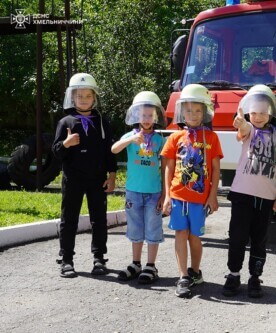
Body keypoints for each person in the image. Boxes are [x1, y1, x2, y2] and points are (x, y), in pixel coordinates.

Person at [222, 85, 276, 298]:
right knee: (237, 237)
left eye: (262, 112)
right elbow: (243, 130)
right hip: (242, 195)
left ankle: (254, 277)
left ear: (271, 112)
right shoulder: (249, 130)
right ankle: (233, 274)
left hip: (266, 198)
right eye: (254, 112)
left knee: (259, 240)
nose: (258, 117)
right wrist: (241, 123)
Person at [161, 84, 224, 298]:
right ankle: (183, 277)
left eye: (198, 110)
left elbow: (216, 169)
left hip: (200, 199)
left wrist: (213, 195)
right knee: (180, 233)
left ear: (205, 112)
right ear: (181, 112)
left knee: (195, 236)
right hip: (178, 195)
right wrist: (167, 195)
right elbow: (169, 168)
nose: (193, 115)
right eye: (188, 110)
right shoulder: (175, 137)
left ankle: (195, 271)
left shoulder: (212, 138)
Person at [52, 73, 117, 278]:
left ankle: (99, 258)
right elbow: (55, 151)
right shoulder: (66, 122)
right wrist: (66, 144)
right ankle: (67, 259)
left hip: (97, 178)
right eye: (79, 96)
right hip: (73, 179)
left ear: (94, 97)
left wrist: (112, 175)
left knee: (99, 219)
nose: (83, 100)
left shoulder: (102, 123)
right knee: (69, 218)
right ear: (72, 97)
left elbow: (110, 151)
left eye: (87, 96)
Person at [111, 91, 165, 284]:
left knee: (153, 228)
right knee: (135, 228)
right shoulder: (130, 137)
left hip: (154, 193)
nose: (147, 119)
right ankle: (136, 263)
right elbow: (114, 149)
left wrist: (165, 195)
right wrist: (130, 140)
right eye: (143, 115)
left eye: (151, 115)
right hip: (133, 192)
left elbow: (166, 167)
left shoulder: (160, 140)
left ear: (156, 116)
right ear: (136, 116)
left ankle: (151, 265)